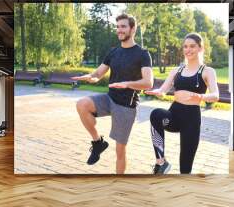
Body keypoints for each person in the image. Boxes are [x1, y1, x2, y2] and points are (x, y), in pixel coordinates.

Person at [72, 14, 153, 174]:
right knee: (82, 104)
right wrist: (91, 77)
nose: (119, 30)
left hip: (126, 106)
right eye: (117, 27)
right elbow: (99, 73)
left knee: (120, 151)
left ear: (132, 29)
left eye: (123, 26)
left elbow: (148, 82)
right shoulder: (113, 52)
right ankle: (98, 142)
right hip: (110, 98)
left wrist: (127, 84)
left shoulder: (142, 54)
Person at [145, 33, 219, 174]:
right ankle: (161, 163)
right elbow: (163, 89)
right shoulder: (177, 70)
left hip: (191, 120)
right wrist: (157, 92)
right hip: (174, 117)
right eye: (185, 46)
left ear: (200, 48)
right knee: (156, 115)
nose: (188, 50)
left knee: (185, 169)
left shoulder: (207, 71)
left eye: (192, 46)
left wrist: (200, 96)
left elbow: (215, 95)